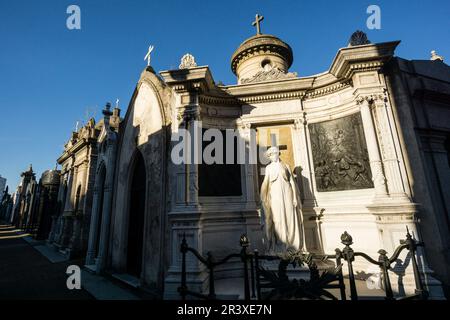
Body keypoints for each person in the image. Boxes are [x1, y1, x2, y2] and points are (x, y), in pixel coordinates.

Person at [260, 146, 306, 254]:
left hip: (288, 194)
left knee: (290, 218)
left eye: (275, 153)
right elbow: (266, 183)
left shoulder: (286, 166)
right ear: (269, 156)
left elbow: (292, 182)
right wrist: (263, 197)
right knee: (277, 219)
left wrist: (295, 197)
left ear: (278, 154)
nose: (274, 156)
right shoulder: (269, 168)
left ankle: (292, 245)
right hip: (275, 196)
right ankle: (280, 245)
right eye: (271, 154)